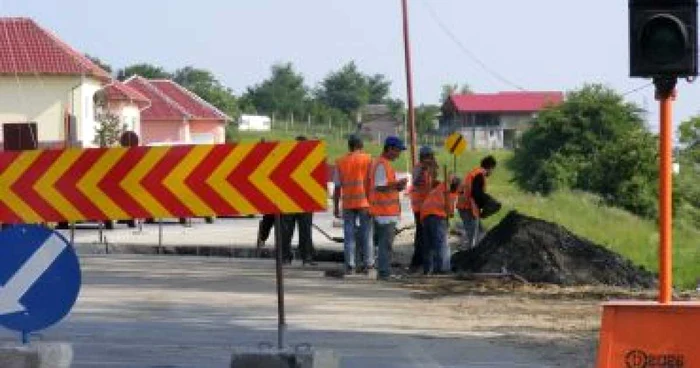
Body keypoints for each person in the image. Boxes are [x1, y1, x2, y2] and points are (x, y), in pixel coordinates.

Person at [367, 136, 408, 280]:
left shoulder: (383, 164)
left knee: (384, 244)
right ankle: (384, 273)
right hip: (384, 214)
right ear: (390, 149)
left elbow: (383, 185)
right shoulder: (382, 164)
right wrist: (397, 185)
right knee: (386, 245)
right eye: (397, 150)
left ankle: (383, 271)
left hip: (385, 213)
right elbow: (379, 186)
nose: (399, 154)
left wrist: (397, 185)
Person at [333, 134, 373, 274]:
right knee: (366, 234)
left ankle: (350, 264)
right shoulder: (368, 159)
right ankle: (368, 264)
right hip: (364, 203)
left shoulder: (340, 162)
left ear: (349, 146)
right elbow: (372, 182)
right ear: (361, 146)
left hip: (348, 204)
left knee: (349, 235)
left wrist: (335, 206)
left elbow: (337, 187)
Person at [280, 136, 317, 265]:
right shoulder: (309, 160)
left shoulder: (285, 160)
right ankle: (306, 257)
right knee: (305, 230)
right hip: (304, 200)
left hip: (288, 200)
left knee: (286, 231)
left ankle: (285, 257)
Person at [420, 176, 461, 274]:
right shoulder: (450, 193)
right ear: (456, 186)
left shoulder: (439, 188)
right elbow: (450, 212)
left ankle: (427, 269)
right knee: (441, 244)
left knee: (428, 245)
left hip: (425, 215)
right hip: (437, 216)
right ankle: (442, 269)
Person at [457, 155, 498, 249]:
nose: (492, 172)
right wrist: (487, 202)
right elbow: (476, 193)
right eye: (493, 169)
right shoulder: (479, 175)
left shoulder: (475, 173)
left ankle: (475, 252)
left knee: (478, 231)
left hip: (465, 206)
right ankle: (470, 256)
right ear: (490, 167)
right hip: (467, 207)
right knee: (472, 236)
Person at [408, 146, 438, 273]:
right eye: (428, 156)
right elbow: (415, 181)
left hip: (427, 207)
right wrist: (424, 169)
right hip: (419, 207)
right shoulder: (418, 168)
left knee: (424, 235)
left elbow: (433, 182)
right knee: (421, 235)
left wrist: (433, 170)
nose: (430, 159)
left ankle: (422, 262)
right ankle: (416, 262)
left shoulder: (430, 169)